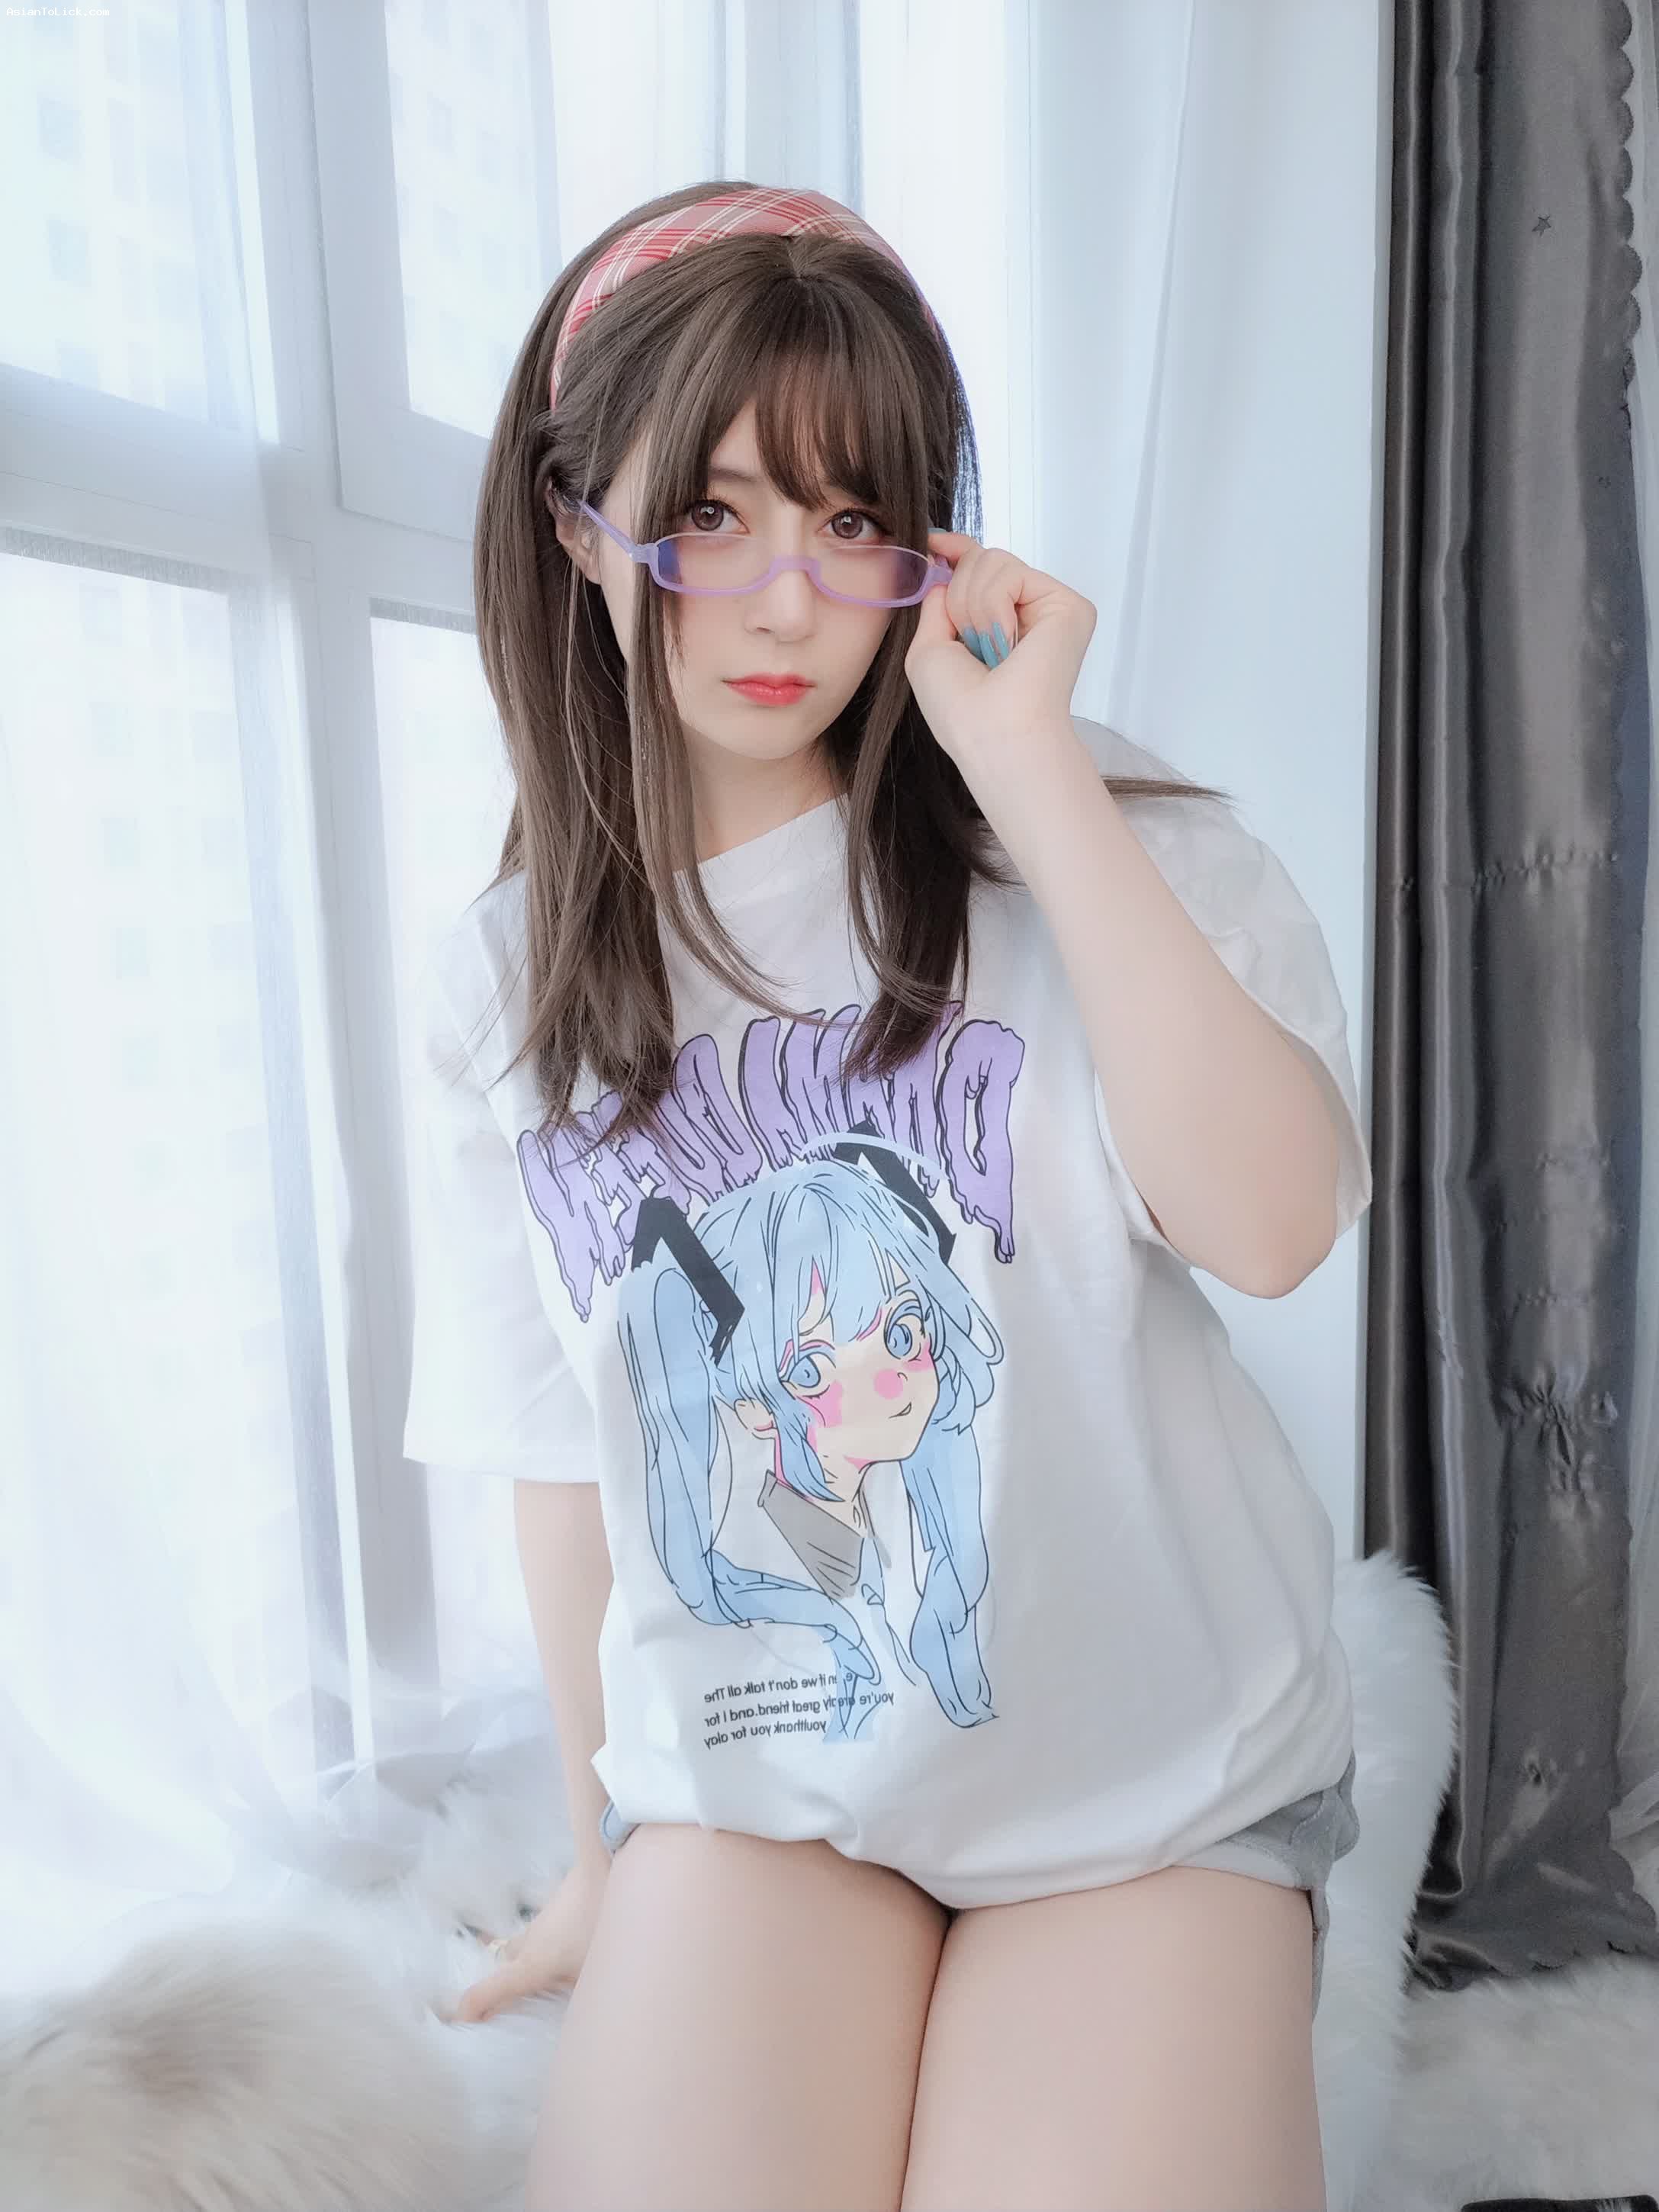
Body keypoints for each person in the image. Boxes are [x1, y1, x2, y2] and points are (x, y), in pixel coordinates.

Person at [401, 178, 1368, 2212]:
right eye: (714, 514)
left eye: (854, 523)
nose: (786, 605)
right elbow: (564, 1458)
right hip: (766, 1791)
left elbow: (1278, 1226)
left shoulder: (1097, 840)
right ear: (577, 525)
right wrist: (599, 1862)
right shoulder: (509, 989)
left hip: (1146, 1782)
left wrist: (1031, 774)